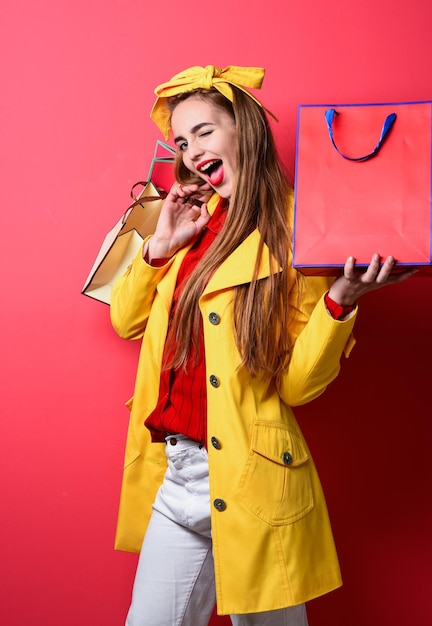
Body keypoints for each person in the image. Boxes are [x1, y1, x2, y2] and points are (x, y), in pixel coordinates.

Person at [110, 65, 415, 626]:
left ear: (243, 130)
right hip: (175, 477)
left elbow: (298, 387)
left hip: (256, 477)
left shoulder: (303, 228)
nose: (190, 148)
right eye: (181, 140)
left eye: (203, 131)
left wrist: (340, 300)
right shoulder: (193, 222)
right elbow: (126, 323)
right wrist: (159, 246)